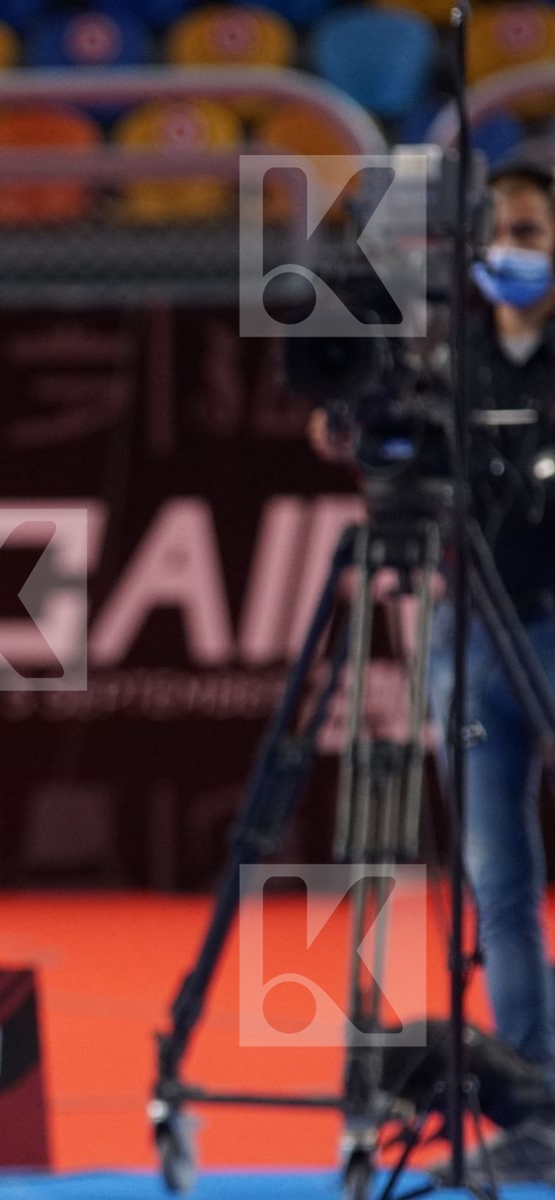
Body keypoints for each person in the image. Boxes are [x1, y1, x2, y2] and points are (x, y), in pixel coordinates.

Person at [311, 159, 555, 1181]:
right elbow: (375, 447)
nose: (512, 249)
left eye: (532, 231)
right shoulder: (445, 358)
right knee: (499, 878)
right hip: (469, 629)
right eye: (498, 232)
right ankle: (535, 1102)